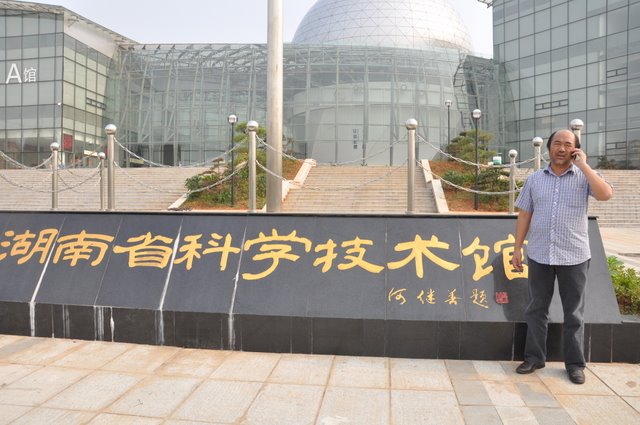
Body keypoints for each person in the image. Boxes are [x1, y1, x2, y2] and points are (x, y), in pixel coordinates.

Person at [512, 128, 613, 385]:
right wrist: (517, 248)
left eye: (568, 144)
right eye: (557, 143)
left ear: (575, 149)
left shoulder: (584, 177)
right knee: (536, 309)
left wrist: (585, 166)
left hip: (574, 256)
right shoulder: (535, 179)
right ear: (549, 148)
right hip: (540, 254)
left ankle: (575, 365)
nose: (561, 148)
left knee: (574, 313)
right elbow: (524, 214)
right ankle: (534, 358)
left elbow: (605, 194)